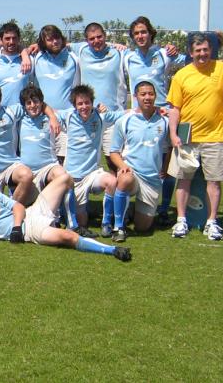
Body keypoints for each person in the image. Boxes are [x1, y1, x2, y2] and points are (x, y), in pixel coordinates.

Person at [0, 164, 131, 261]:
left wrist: (15, 226)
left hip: (31, 212)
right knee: (68, 238)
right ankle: (112, 250)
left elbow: (17, 206)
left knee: (65, 178)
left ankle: (74, 223)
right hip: (31, 230)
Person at [167, 33, 223, 240]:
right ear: (190, 53)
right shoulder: (182, 75)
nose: (202, 54)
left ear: (210, 50)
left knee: (214, 181)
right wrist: (173, 134)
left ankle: (212, 222)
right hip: (187, 137)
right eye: (197, 51)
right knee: (183, 180)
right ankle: (181, 220)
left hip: (215, 136)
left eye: (205, 50)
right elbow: (175, 108)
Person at [124, 16, 184, 224]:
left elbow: (190, 61)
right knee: (132, 160)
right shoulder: (128, 57)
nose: (140, 36)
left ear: (151, 33)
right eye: (136, 33)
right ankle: (128, 204)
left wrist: (175, 51)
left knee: (167, 165)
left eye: (144, 32)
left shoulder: (164, 54)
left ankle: (164, 208)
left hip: (163, 115)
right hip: (137, 117)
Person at [18, 85, 93, 237]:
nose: (33, 106)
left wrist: (52, 116)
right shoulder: (18, 119)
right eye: (29, 103)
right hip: (27, 170)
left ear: (42, 103)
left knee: (64, 176)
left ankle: (73, 225)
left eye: (36, 102)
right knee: (36, 215)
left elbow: (72, 113)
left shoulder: (53, 118)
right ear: (24, 106)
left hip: (48, 166)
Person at [58, 84, 124, 234]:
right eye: (80, 104)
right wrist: (53, 120)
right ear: (74, 105)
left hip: (92, 174)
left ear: (92, 102)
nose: (84, 107)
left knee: (112, 181)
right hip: (73, 178)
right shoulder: (68, 116)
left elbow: (124, 114)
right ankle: (66, 211)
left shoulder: (101, 116)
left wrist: (154, 110)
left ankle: (106, 223)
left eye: (87, 102)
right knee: (82, 223)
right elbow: (49, 111)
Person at [109, 81, 170, 240]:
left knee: (143, 227)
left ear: (155, 96)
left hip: (152, 180)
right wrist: (123, 166)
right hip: (133, 173)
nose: (147, 97)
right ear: (135, 96)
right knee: (125, 178)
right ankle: (118, 227)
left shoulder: (164, 121)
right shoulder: (125, 120)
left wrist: (165, 167)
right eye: (143, 94)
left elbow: (169, 147)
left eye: (150, 94)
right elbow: (114, 152)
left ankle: (129, 209)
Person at [0, 82, 45, 205]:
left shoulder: (11, 112)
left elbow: (37, 104)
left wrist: (53, 118)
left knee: (27, 176)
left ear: (0, 99)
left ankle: (12, 209)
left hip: (10, 166)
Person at [72, 22, 127, 171]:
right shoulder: (80, 50)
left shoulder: (118, 53)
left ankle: (117, 194)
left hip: (112, 116)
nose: (96, 41)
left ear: (105, 36)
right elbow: (56, 43)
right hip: (88, 116)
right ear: (86, 40)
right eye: (92, 38)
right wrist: (28, 50)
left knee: (114, 161)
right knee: (84, 160)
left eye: (99, 37)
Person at [30, 25, 80, 159]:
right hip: (43, 117)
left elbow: (92, 43)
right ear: (43, 42)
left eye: (57, 38)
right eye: (50, 39)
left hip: (66, 118)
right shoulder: (36, 58)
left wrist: (114, 44)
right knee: (43, 161)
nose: (55, 42)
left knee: (64, 161)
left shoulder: (73, 57)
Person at [0, 22, 32, 107]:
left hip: (23, 115)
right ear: (0, 40)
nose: (11, 42)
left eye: (14, 38)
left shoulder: (29, 60)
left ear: (19, 39)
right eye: (7, 38)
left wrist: (25, 54)